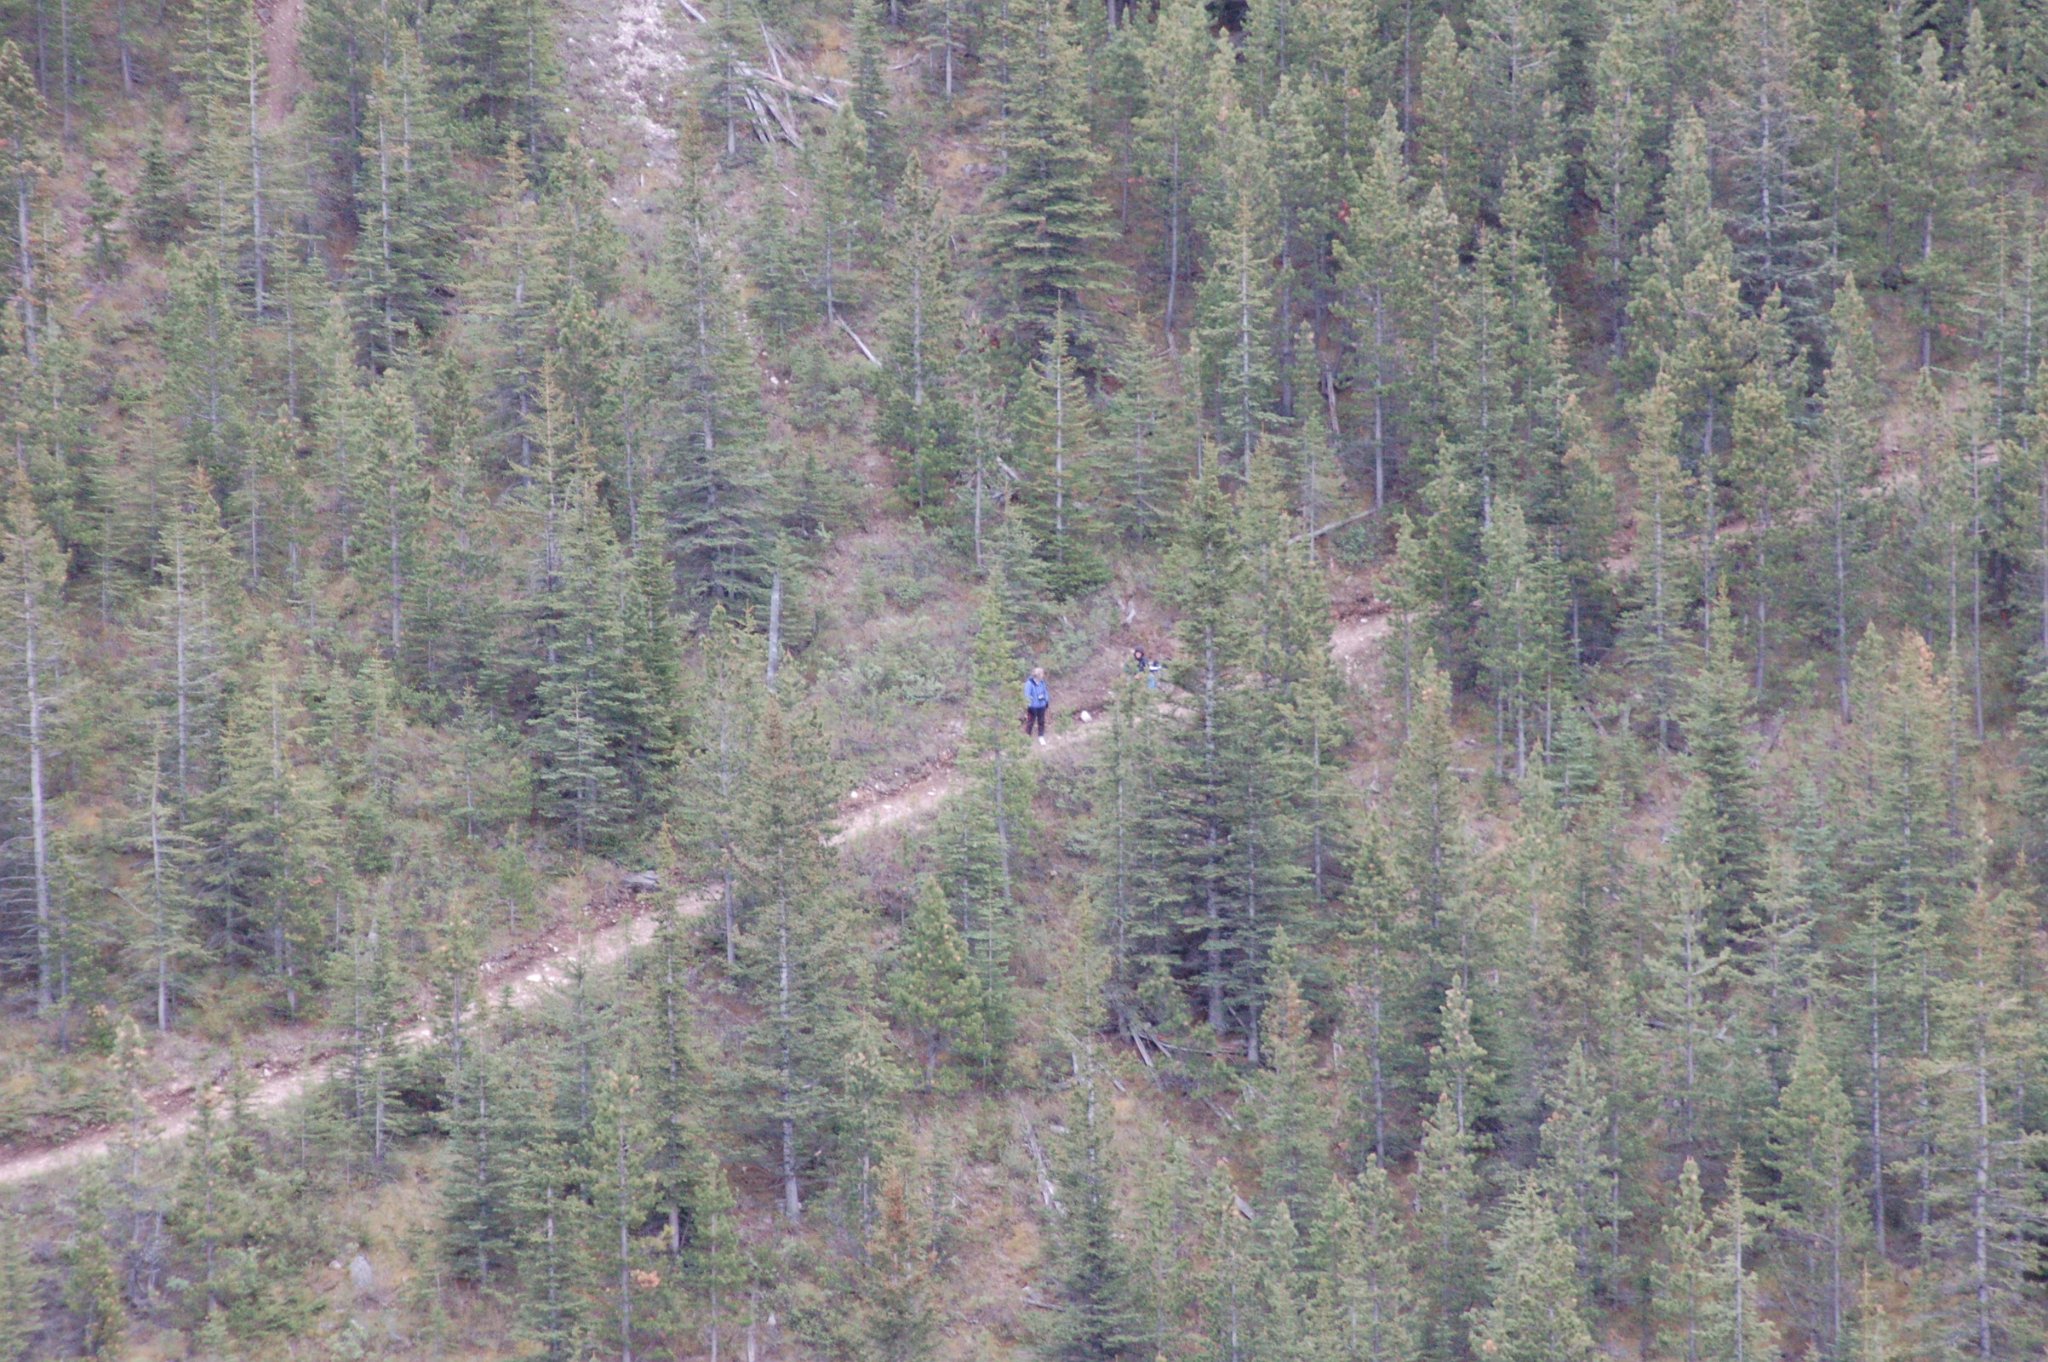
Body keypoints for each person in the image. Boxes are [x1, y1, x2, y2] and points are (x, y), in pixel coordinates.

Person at [1023, 667, 1049, 742]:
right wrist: (1031, 704)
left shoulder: (1042, 682)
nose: (1043, 675)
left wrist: (1046, 701)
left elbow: (1045, 692)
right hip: (1032, 707)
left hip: (1042, 706)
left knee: (1041, 721)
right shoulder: (1029, 684)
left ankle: (1041, 736)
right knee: (1030, 722)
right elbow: (1027, 695)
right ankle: (1027, 737)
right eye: (1042, 674)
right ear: (1038, 675)